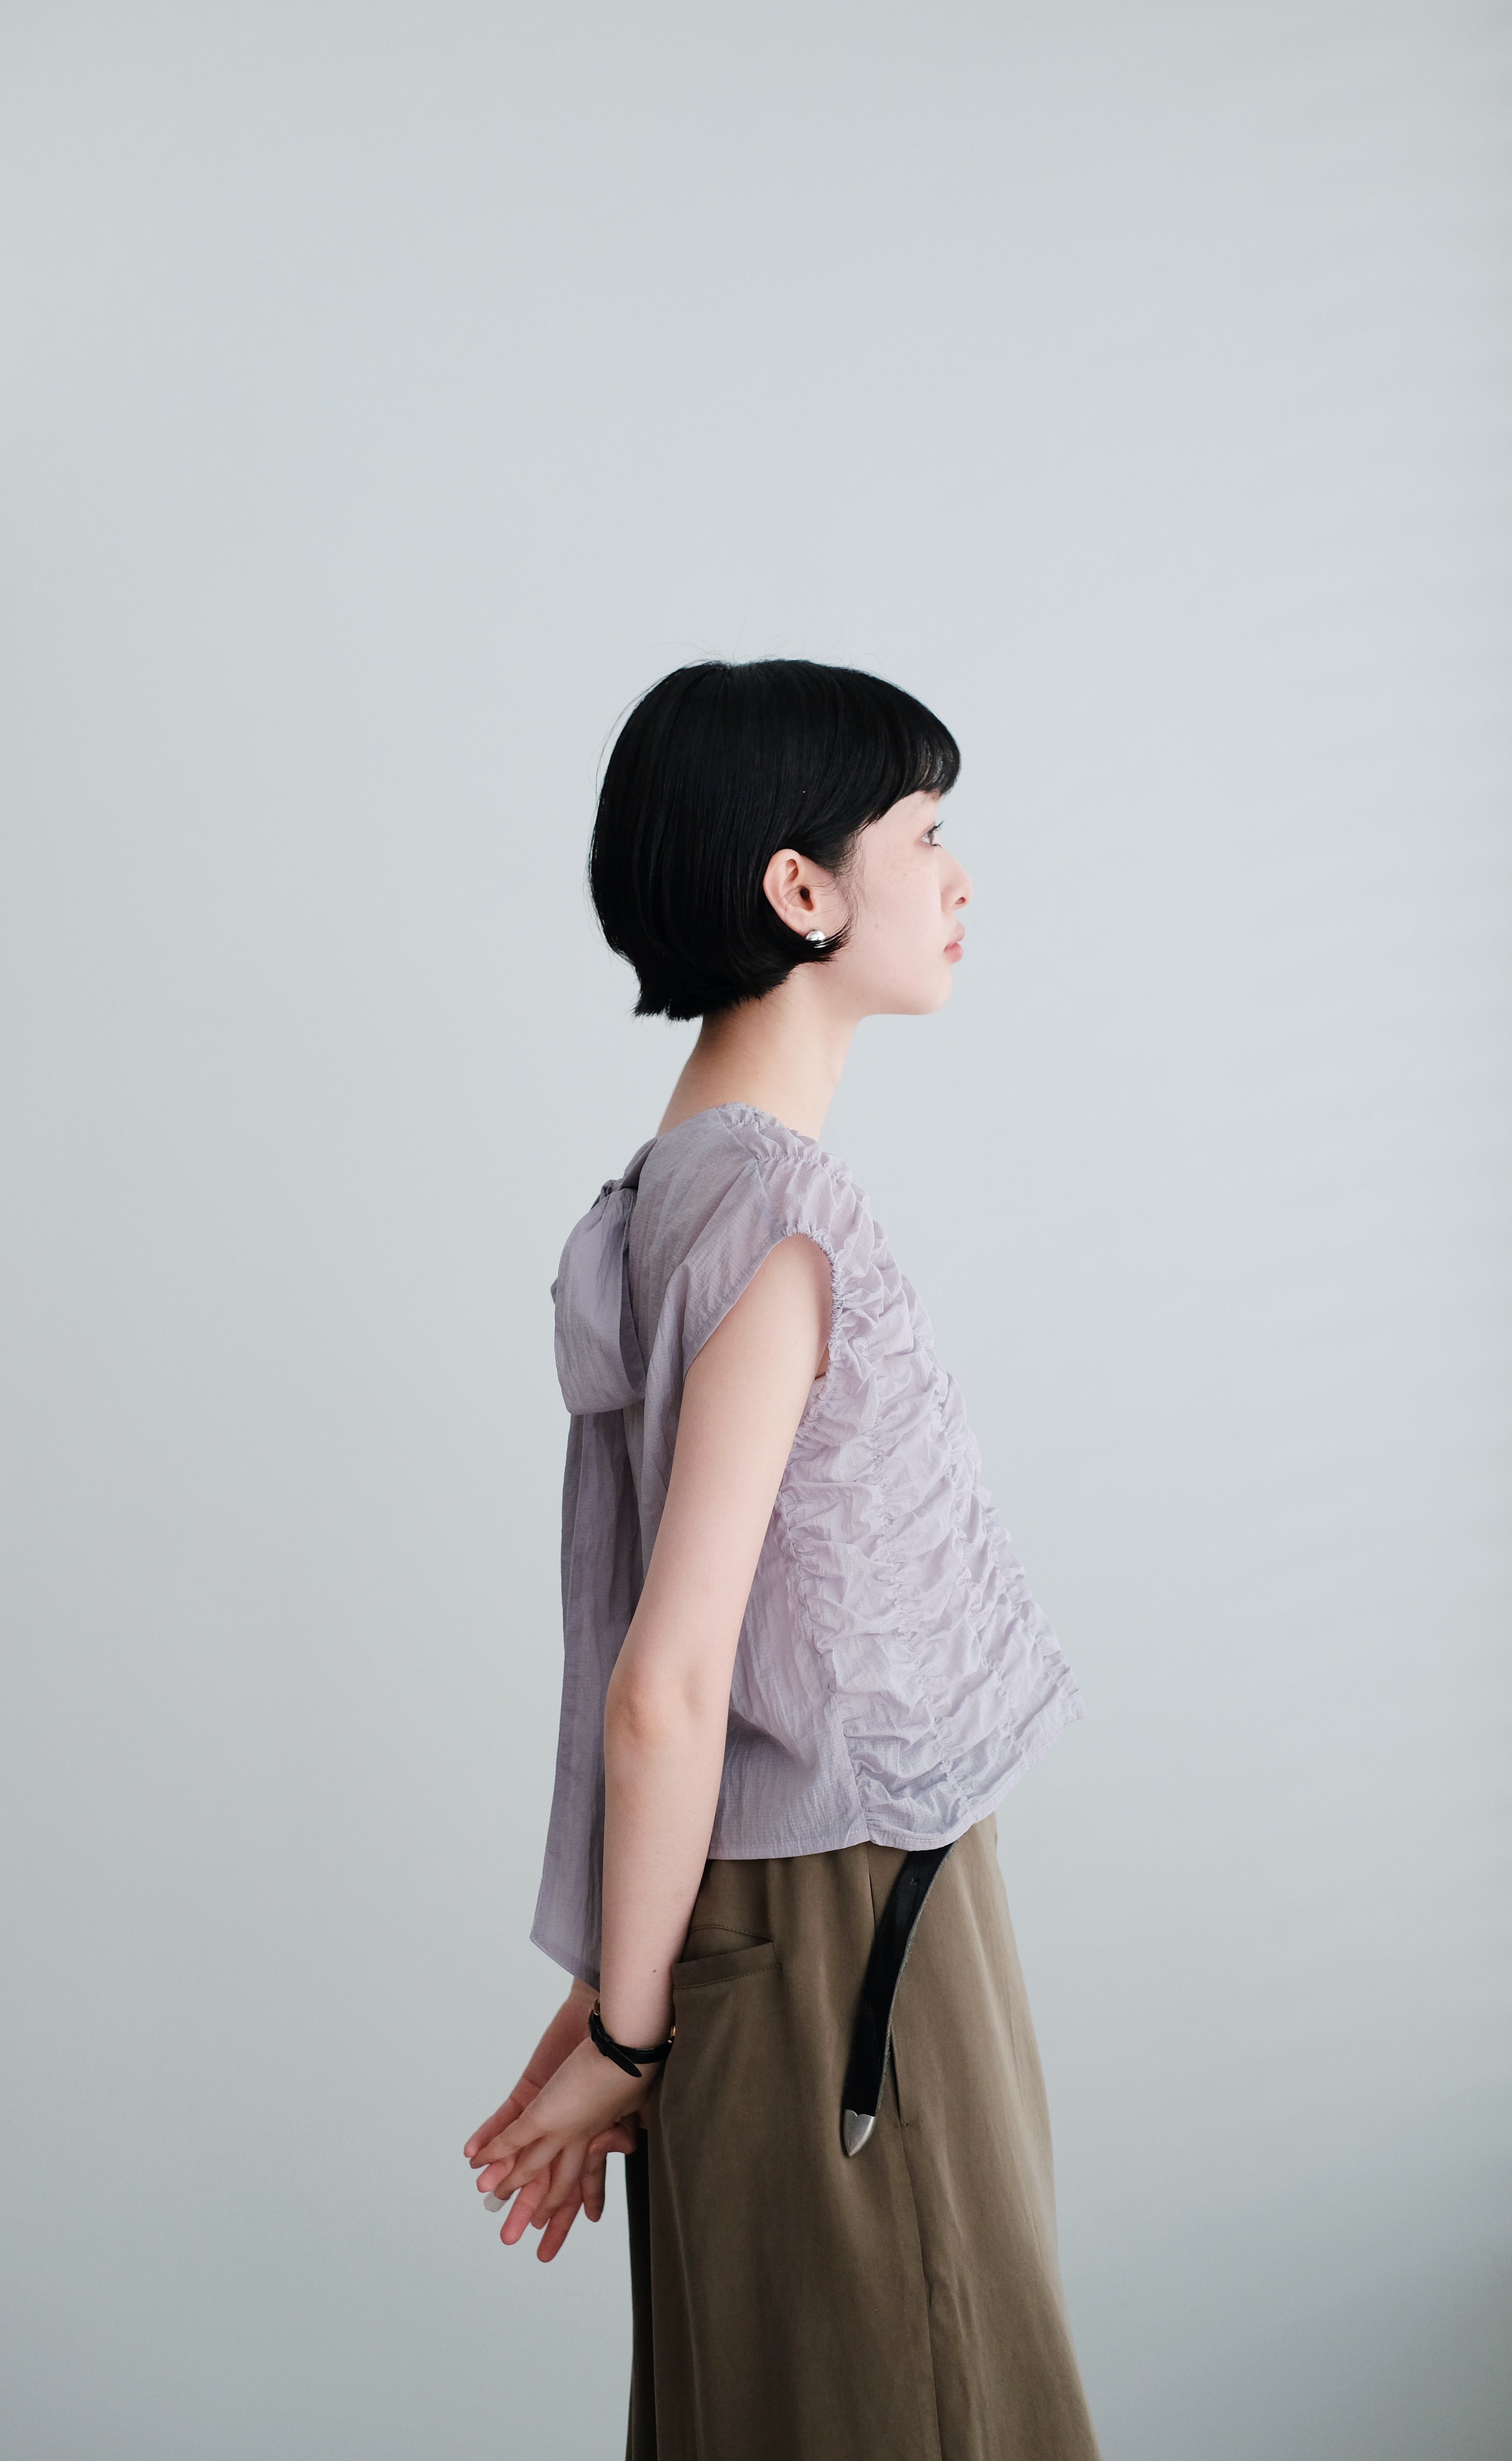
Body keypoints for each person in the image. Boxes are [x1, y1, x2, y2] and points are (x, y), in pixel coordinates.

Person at [464, 659, 1101, 2460]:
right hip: (852, 1939)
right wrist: (627, 2039)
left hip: (757, 1931)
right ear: (802, 888)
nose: (960, 877)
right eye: (926, 832)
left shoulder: (662, 1194)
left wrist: (620, 1995)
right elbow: (671, 1685)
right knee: (931, 2396)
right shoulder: (773, 1212)